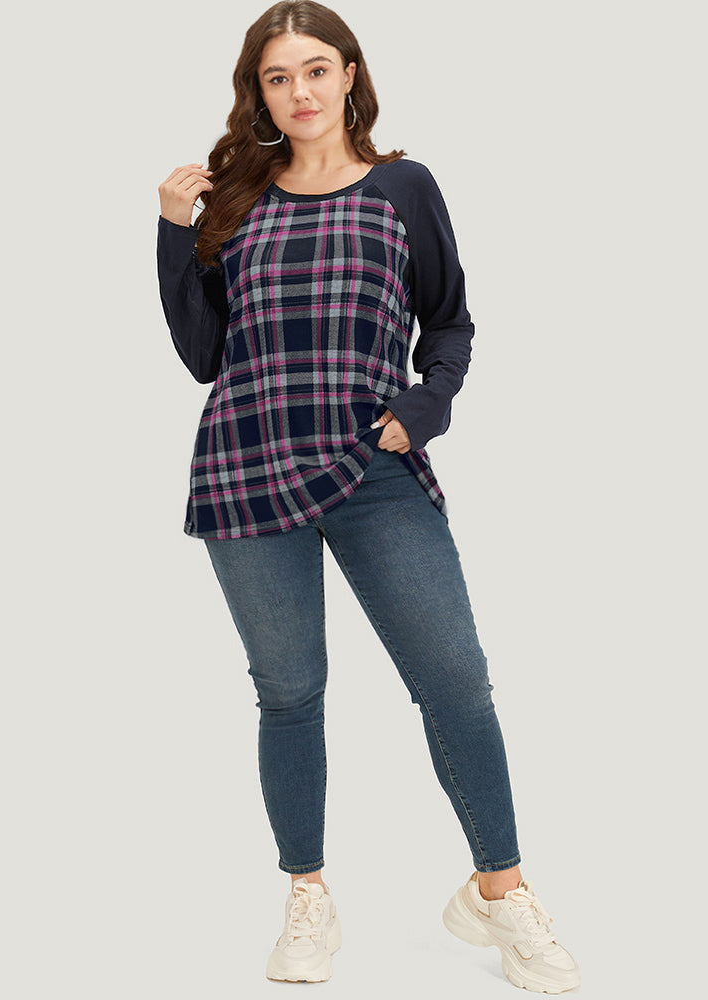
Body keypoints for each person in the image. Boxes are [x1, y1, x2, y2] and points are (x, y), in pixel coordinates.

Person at [156, 1, 580, 992]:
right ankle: (307, 896)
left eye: (315, 69)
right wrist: (175, 235)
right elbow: (203, 354)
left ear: (349, 75)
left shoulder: (402, 188)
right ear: (258, 94)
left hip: (372, 467)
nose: (298, 91)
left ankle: (502, 891)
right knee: (289, 691)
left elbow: (450, 322)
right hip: (246, 466)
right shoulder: (237, 200)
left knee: (456, 680)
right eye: (277, 77)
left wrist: (424, 408)